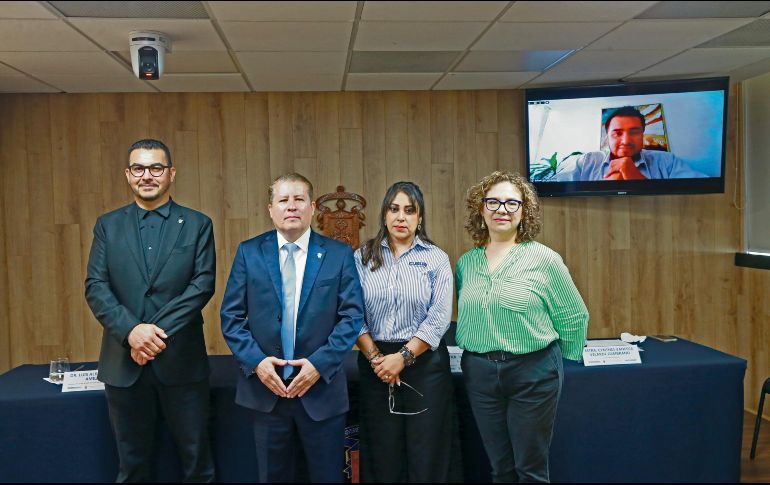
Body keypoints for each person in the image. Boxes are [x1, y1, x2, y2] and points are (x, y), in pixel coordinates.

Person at [85, 139, 216, 482]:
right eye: (139, 168)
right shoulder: (107, 226)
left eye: (156, 168)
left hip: (182, 364)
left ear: (171, 173)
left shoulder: (198, 224)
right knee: (132, 467)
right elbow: (96, 286)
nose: (148, 176)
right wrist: (132, 332)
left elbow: (201, 286)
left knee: (197, 464)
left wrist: (152, 335)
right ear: (128, 175)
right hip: (123, 364)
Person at [220, 173, 364, 483]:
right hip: (267, 391)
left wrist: (318, 365)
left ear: (312, 208)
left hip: (321, 391)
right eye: (283, 200)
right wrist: (258, 364)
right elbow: (231, 318)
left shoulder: (338, 255)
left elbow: (352, 317)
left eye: (299, 199)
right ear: (270, 208)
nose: (291, 206)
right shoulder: (249, 252)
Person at [456, 171, 588, 483]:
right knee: (500, 468)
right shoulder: (466, 263)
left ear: (523, 211)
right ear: (481, 209)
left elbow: (574, 315)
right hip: (480, 374)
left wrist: (562, 366)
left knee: (529, 470)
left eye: (512, 203)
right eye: (493, 202)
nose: (502, 209)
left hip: (533, 372)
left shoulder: (545, 260)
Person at [354, 182, 454, 482]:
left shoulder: (436, 258)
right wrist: (377, 359)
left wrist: (403, 357)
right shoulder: (361, 257)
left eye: (409, 210)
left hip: (425, 366)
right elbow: (350, 313)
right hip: (376, 365)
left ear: (420, 217)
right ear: (384, 214)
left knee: (427, 453)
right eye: (394, 209)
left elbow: (439, 318)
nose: (401, 217)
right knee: (383, 452)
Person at [562, 106, 705, 181]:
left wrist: (636, 177)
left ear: (643, 133)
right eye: (618, 133)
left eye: (634, 132)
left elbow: (703, 188)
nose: (626, 141)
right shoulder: (587, 162)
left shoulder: (667, 162)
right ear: (607, 136)